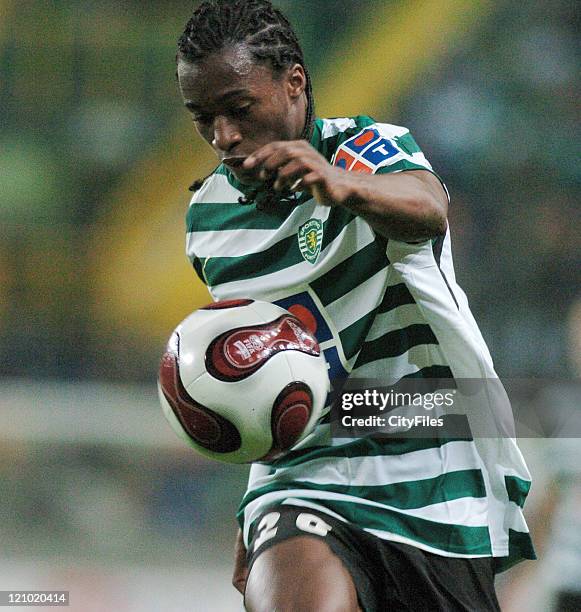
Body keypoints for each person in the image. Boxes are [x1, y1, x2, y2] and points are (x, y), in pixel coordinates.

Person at [176, 1, 535, 610]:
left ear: (294, 83)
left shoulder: (369, 148)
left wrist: (345, 185)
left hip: (430, 445)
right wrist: (257, 500)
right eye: (202, 117)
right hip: (308, 474)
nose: (223, 136)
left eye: (238, 109)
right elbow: (269, 370)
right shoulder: (207, 221)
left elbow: (427, 208)